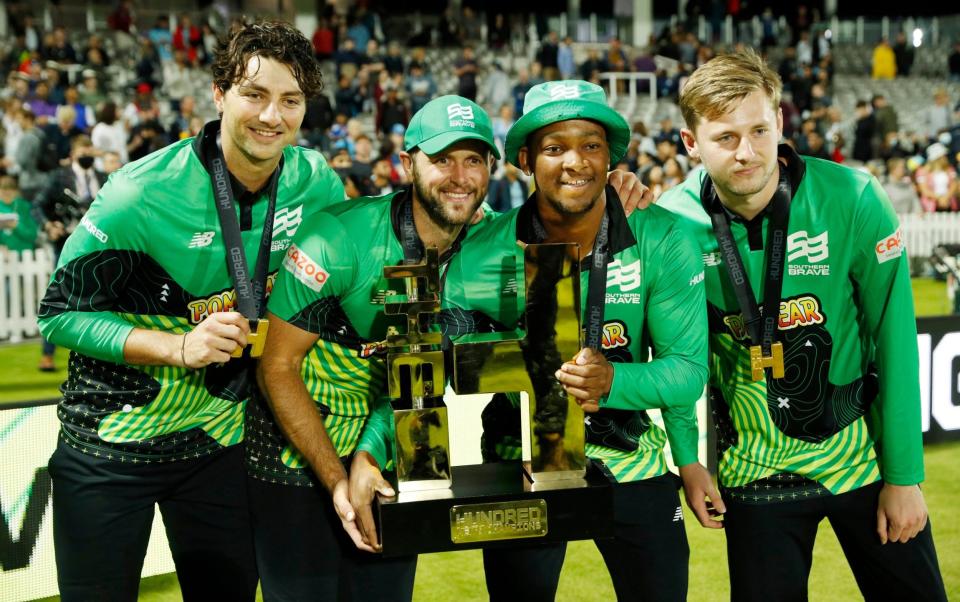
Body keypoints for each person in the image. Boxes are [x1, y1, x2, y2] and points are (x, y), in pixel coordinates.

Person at [254, 94, 649, 600]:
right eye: (441, 159)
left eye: (473, 160)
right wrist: (336, 478)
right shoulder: (337, 236)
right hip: (297, 463)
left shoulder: (493, 244)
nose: (459, 176)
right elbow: (277, 366)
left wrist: (615, 190)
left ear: (491, 169)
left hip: (390, 458)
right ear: (406, 162)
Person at [351, 81, 715, 602]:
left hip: (634, 466)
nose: (575, 162)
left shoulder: (662, 235)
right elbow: (420, 364)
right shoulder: (479, 249)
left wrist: (678, 448)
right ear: (525, 158)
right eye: (553, 147)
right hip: (516, 469)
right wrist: (371, 448)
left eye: (591, 145)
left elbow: (686, 369)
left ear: (611, 157)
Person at [36, 19, 343, 601]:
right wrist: (180, 347)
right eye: (254, 95)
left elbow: (346, 279)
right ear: (220, 94)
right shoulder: (141, 192)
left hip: (220, 448)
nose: (272, 116)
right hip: (109, 449)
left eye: (290, 100)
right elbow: (58, 314)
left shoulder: (315, 183)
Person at [657, 49, 947, 602]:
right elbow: (675, 355)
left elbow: (894, 340)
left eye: (759, 130)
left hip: (861, 465)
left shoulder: (854, 197)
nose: (747, 152)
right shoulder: (670, 221)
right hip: (753, 478)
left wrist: (905, 475)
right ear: (691, 144)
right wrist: (690, 462)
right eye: (725, 138)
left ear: (780, 123)